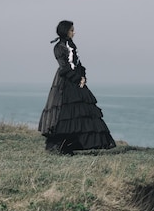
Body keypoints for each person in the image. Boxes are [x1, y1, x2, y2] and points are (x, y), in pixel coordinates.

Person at [38, 20, 116, 155]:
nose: (74, 32)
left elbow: (78, 64)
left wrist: (83, 77)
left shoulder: (71, 45)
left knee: (83, 112)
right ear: (65, 31)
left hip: (77, 81)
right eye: (71, 30)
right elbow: (64, 68)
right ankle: (61, 146)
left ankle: (74, 145)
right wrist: (77, 78)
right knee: (67, 114)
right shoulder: (59, 47)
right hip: (66, 83)